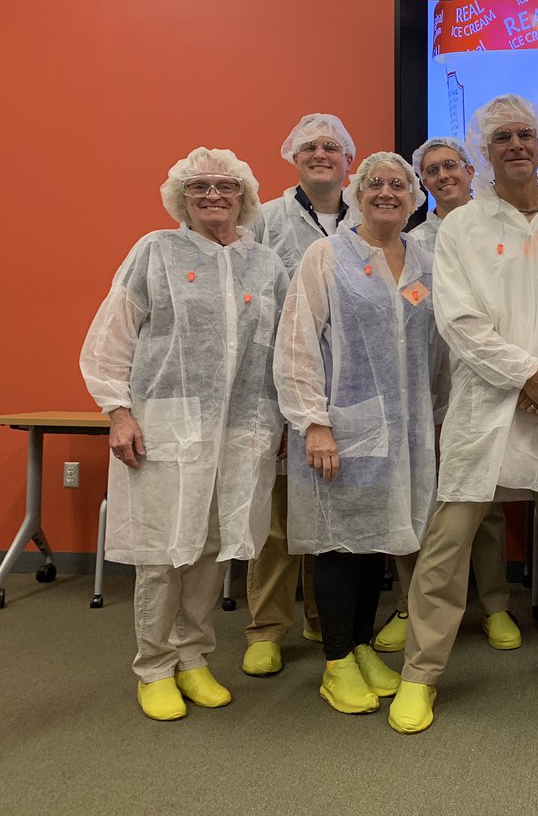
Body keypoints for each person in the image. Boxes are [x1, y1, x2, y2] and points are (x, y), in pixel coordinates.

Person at [390, 94, 538, 734]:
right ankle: (421, 672)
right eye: (502, 139)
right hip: (488, 405)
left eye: (526, 135)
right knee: (448, 542)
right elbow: (459, 321)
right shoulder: (463, 227)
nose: (516, 145)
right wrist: (527, 374)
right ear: (485, 154)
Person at [80, 148, 288, 721]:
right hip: (165, 427)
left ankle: (194, 658)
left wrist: (284, 419)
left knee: (214, 546)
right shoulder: (156, 252)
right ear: (182, 198)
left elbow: (278, 352)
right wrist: (118, 412)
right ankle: (153, 665)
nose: (214, 196)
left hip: (243, 429)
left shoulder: (265, 265)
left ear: (244, 196)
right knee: (163, 549)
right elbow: (112, 336)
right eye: (200, 187)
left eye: (226, 186)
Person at [273, 151, 443, 714]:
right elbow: (297, 340)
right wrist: (314, 422)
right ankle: (337, 662)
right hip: (342, 429)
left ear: (413, 197)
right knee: (339, 543)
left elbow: (434, 351)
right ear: (357, 191)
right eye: (375, 184)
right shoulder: (328, 256)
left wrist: (432, 418)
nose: (387, 192)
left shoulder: (422, 260)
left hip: (405, 431)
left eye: (398, 184)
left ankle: (365, 646)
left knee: (379, 542)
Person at [371, 137, 521, 654]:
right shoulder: (413, 242)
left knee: (486, 500)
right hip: (424, 388)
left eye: (450, 165)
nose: (442, 175)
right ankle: (412, 603)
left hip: (483, 382)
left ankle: (495, 605)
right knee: (421, 500)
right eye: (431, 170)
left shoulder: (495, 227)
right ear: (423, 184)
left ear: (469, 169)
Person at [241, 113, 356, 677]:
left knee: (333, 510)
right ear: (293, 157)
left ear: (348, 160)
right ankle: (267, 627)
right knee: (281, 516)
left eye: (331, 146)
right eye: (309, 146)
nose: (320, 154)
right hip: (283, 384)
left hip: (355, 392)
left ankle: (321, 615)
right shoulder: (266, 221)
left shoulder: (370, 216)